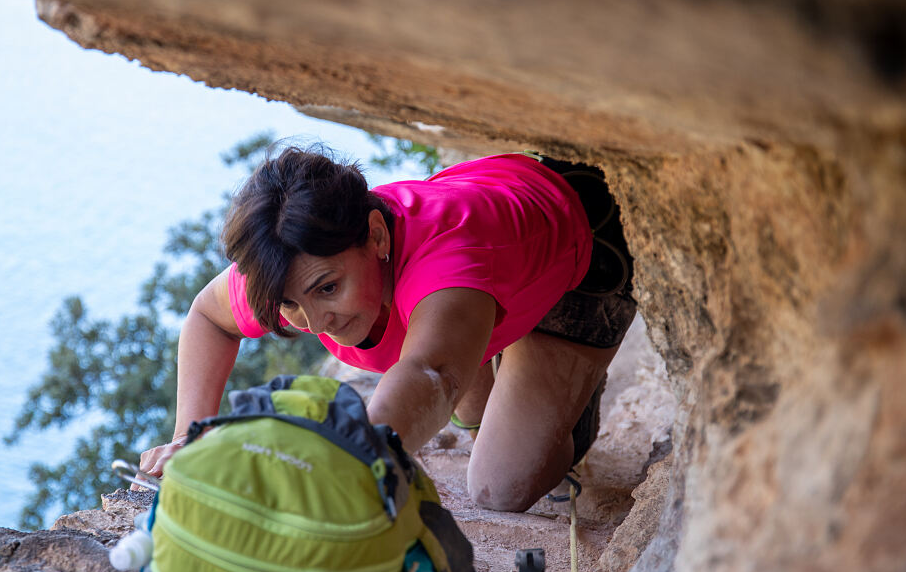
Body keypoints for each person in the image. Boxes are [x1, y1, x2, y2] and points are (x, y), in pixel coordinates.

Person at [139, 144, 636, 512]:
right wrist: (190, 434)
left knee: (501, 488)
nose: (317, 323)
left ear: (376, 234)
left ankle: (572, 394)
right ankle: (501, 339)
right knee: (471, 410)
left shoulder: (446, 266)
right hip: (495, 233)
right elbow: (208, 317)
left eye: (328, 288)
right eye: (291, 304)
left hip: (585, 243)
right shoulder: (298, 257)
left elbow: (429, 374)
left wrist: (331, 470)